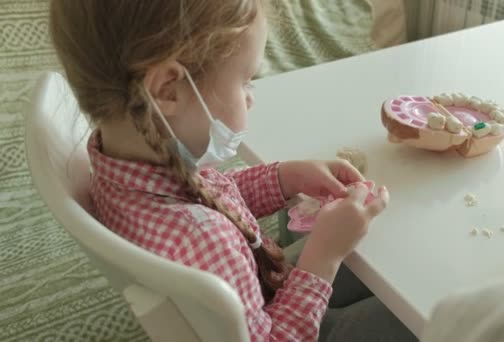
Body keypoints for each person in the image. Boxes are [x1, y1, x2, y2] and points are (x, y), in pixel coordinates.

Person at [49, 1, 416, 340]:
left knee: (384, 258)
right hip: (285, 325)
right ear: (168, 90)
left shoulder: (120, 158)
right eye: (244, 80)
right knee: (428, 320)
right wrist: (325, 256)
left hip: (250, 296)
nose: (251, 96)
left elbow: (208, 194)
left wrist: (284, 177)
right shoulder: (204, 241)